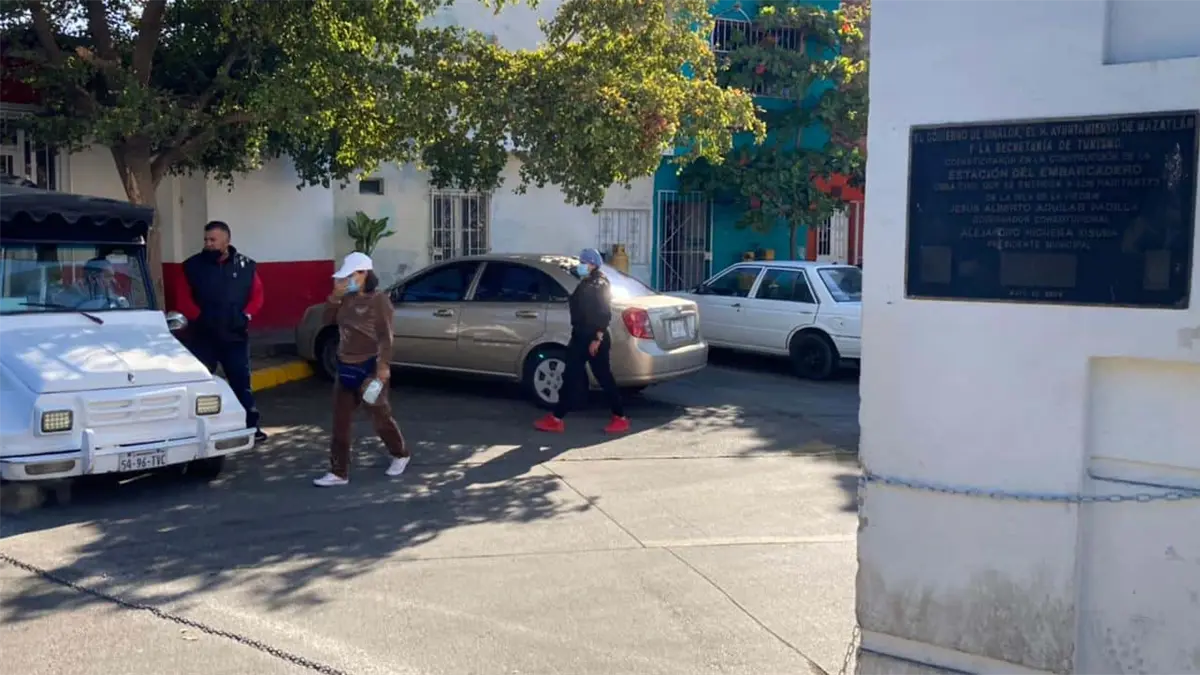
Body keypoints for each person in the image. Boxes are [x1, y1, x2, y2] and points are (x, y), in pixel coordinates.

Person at [312, 252, 410, 487]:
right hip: (346, 366)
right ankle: (339, 472)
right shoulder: (346, 298)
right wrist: (334, 298)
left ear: (364, 274)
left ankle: (400, 453)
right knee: (341, 422)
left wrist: (383, 365)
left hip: (370, 369)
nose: (347, 281)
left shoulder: (379, 300)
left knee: (379, 414)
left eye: (351, 276)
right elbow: (327, 320)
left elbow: (386, 336)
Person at [175, 221, 267, 442]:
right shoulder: (192, 266)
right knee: (199, 384)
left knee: (241, 383)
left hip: (234, 335)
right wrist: (199, 317)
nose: (208, 243)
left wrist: (246, 316)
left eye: (213, 240)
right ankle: (193, 430)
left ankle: (250, 427)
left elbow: (257, 295)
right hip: (203, 336)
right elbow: (182, 296)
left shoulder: (245, 266)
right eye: (206, 240)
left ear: (226, 241)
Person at [534, 248, 630, 434]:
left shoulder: (598, 284)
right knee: (575, 376)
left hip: (590, 338)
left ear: (592, 264)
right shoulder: (589, 282)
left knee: (592, 376)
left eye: (583, 262)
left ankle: (618, 417)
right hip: (582, 336)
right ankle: (558, 417)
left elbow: (604, 313)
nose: (581, 265)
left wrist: (597, 338)